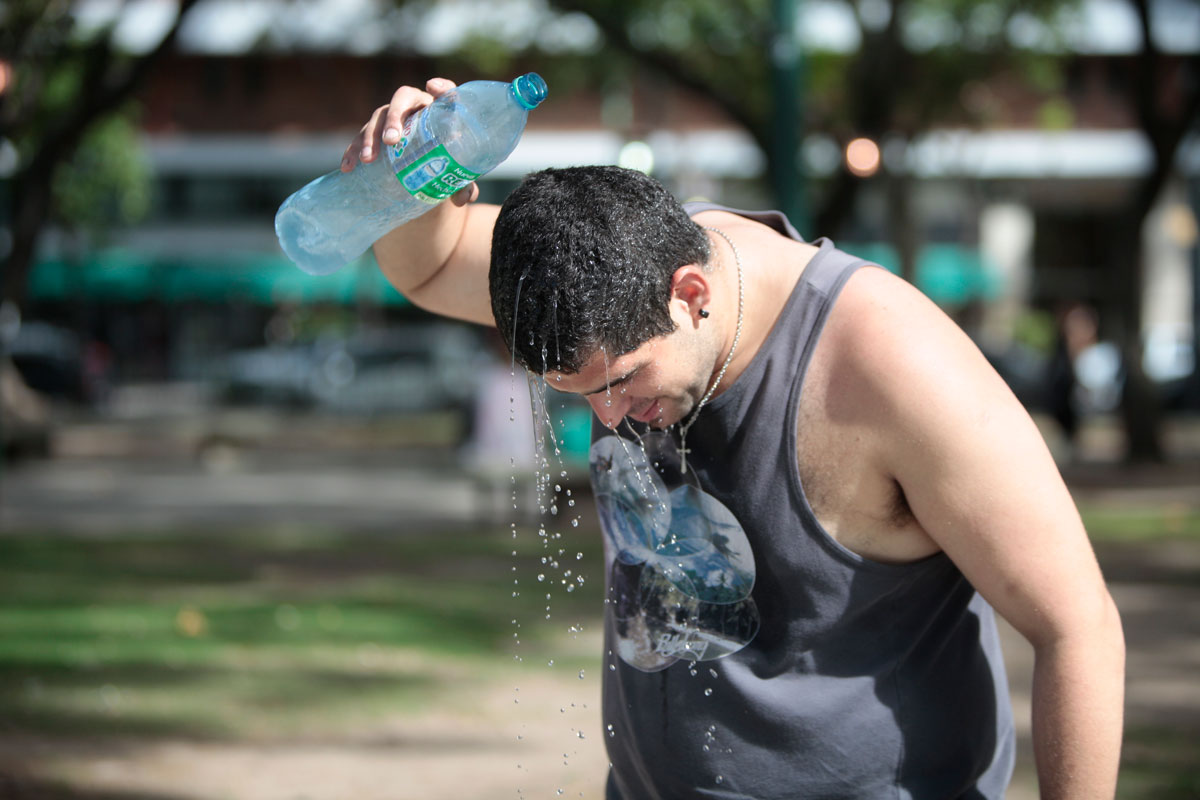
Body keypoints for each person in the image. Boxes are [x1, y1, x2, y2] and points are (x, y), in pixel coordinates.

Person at [343, 78, 1125, 799]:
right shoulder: (596, 269)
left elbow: (1077, 627)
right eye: (579, 395)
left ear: (691, 295)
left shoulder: (894, 365)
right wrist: (413, 179)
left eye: (624, 381)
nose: (609, 418)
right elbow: (429, 267)